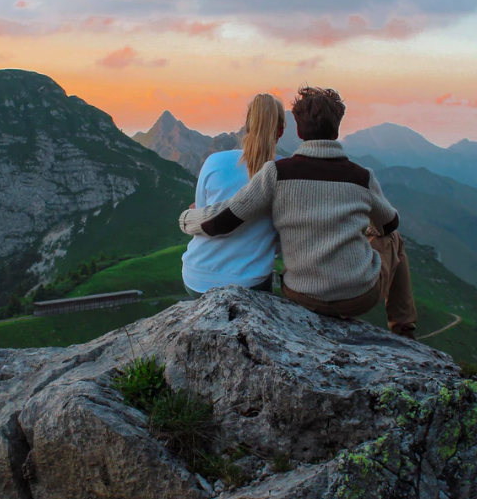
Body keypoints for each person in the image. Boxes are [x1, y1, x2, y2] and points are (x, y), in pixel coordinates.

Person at [178, 86, 417, 338]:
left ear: (299, 130)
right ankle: (405, 330)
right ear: (337, 128)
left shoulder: (277, 173)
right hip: (358, 297)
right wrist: (365, 228)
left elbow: (225, 220)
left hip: (301, 295)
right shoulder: (362, 176)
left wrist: (186, 218)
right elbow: (390, 224)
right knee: (394, 239)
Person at [181, 94, 285, 297]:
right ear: (280, 131)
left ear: (246, 126)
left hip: (197, 277)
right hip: (249, 281)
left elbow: (202, 214)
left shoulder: (214, 161)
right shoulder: (285, 171)